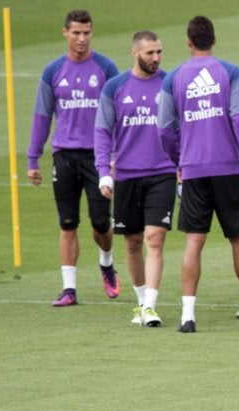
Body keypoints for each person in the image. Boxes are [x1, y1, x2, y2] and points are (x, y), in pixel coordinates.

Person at [157, 15, 239, 332]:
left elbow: (164, 129)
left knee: (194, 242)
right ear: (214, 40)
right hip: (227, 168)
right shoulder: (230, 72)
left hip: (194, 169)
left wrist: (179, 160)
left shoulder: (173, 78)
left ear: (188, 41)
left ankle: (187, 317)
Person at [27, 10, 120, 307]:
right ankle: (69, 289)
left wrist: (116, 155)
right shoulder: (53, 71)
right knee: (67, 222)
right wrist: (33, 159)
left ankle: (106, 262)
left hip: (98, 157)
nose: (82, 39)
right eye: (77, 33)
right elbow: (42, 116)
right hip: (64, 156)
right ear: (65, 32)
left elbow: (119, 115)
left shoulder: (106, 68)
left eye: (87, 33)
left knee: (101, 221)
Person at [94, 30, 176, 327]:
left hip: (163, 173)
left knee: (155, 239)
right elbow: (102, 131)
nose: (156, 58)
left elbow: (180, 128)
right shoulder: (114, 88)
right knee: (132, 243)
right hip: (127, 175)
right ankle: (141, 303)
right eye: (150, 53)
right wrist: (104, 172)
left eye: (159, 52)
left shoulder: (169, 83)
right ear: (135, 53)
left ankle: (151, 306)